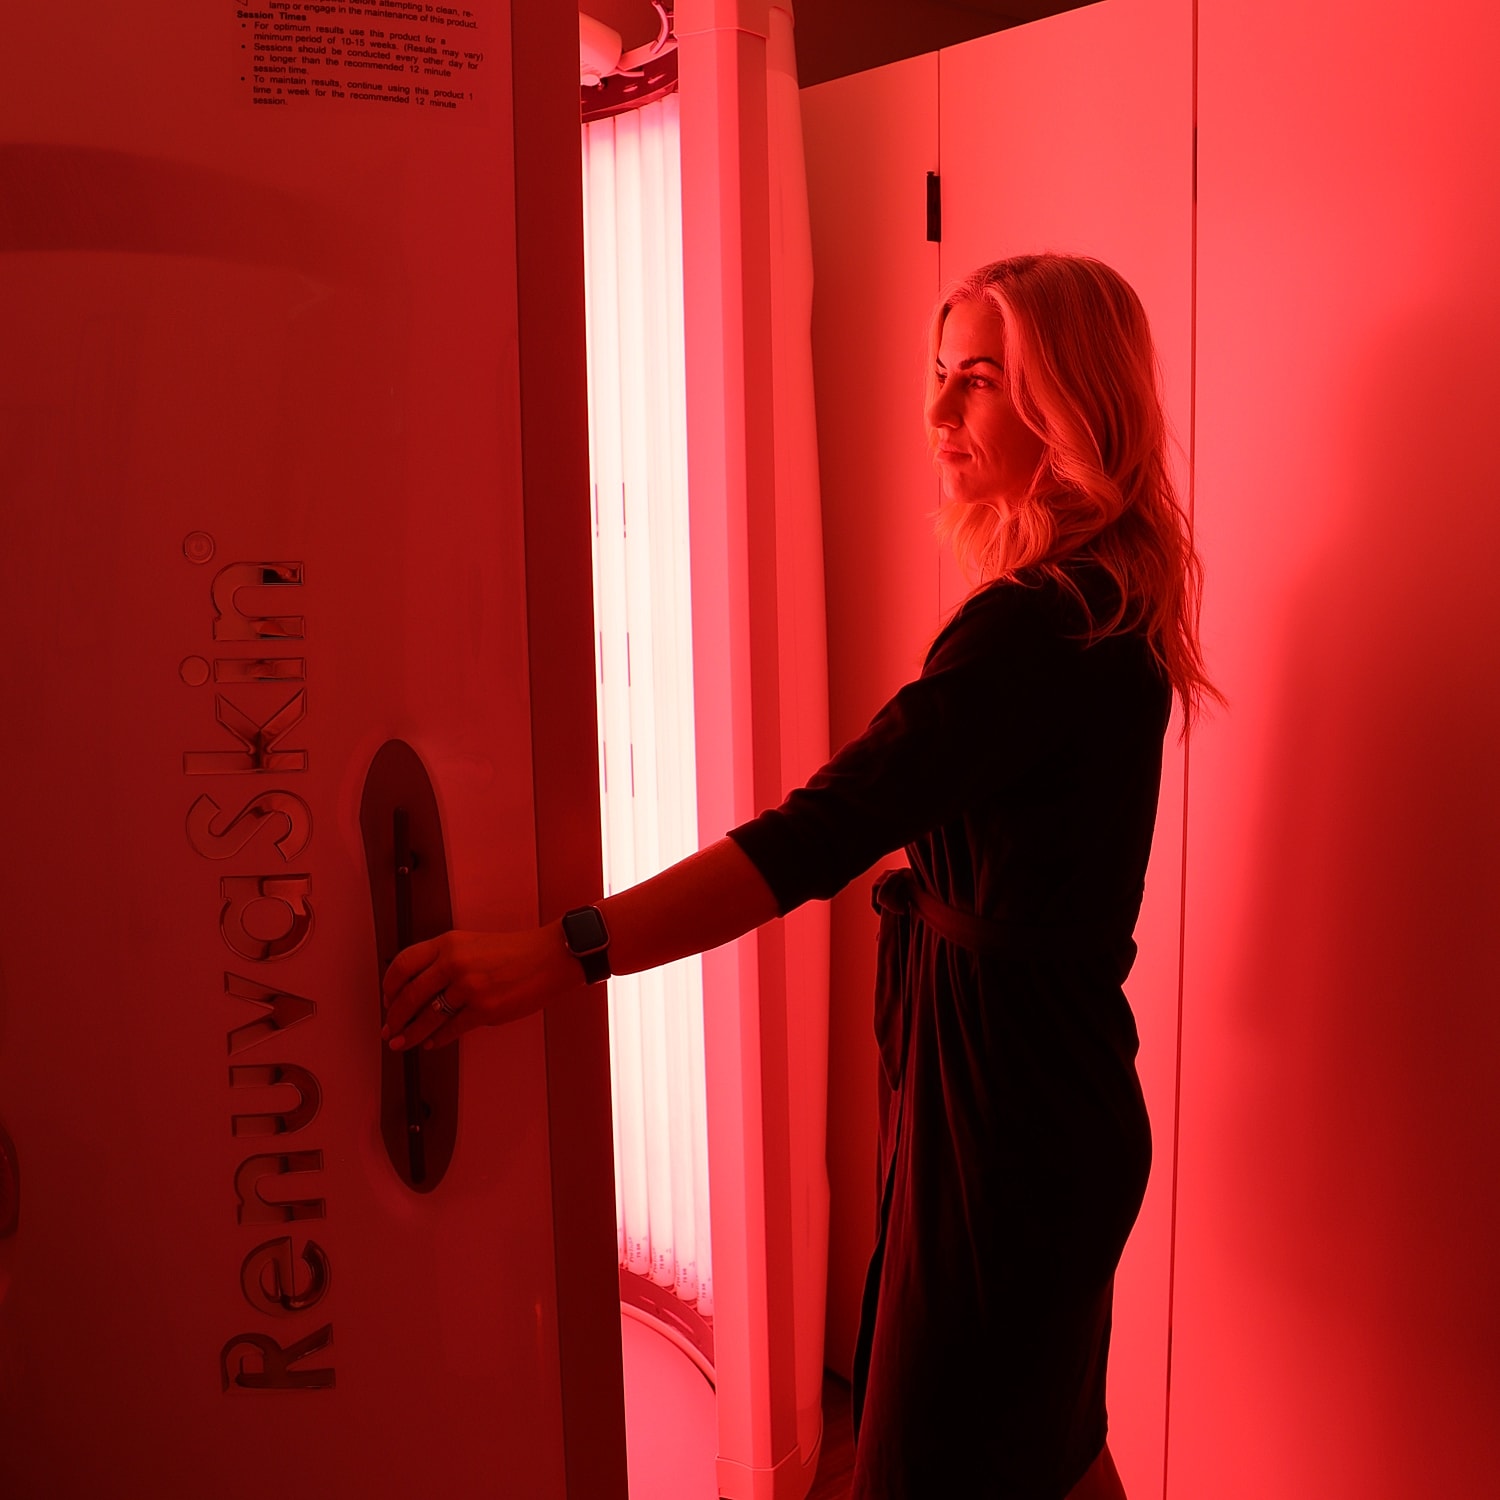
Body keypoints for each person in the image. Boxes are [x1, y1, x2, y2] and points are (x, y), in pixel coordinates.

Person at [381, 253, 1217, 1499]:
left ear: (1072, 407)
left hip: (1007, 1126)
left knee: (946, 1464)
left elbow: (814, 837)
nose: (937, 417)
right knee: (1047, 1447)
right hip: (1042, 1099)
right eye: (940, 376)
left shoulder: (1039, 627)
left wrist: (557, 953)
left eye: (978, 382)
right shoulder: (1105, 606)